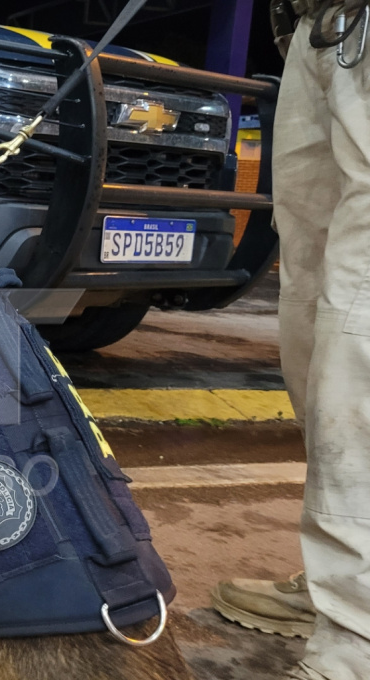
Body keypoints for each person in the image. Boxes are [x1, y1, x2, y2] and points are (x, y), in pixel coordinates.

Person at [212, 1, 370, 677]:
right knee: (310, 308)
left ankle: (353, 641)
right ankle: (339, 582)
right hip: (316, 24)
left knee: (358, 304)